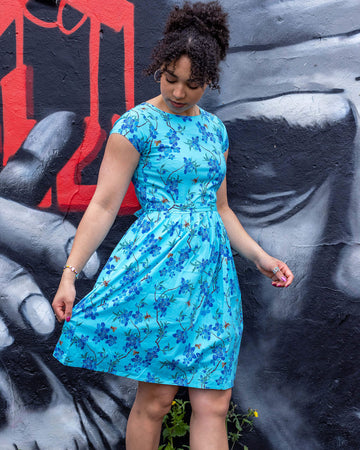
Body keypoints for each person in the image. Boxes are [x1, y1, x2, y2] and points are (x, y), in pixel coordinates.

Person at [52, 2, 294, 449]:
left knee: (214, 403)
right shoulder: (136, 126)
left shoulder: (215, 131)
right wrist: (70, 275)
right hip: (159, 274)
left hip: (213, 277)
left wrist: (260, 257)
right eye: (170, 78)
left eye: (193, 84)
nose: (179, 92)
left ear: (209, 80)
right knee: (157, 400)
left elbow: (220, 209)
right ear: (159, 67)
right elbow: (104, 206)